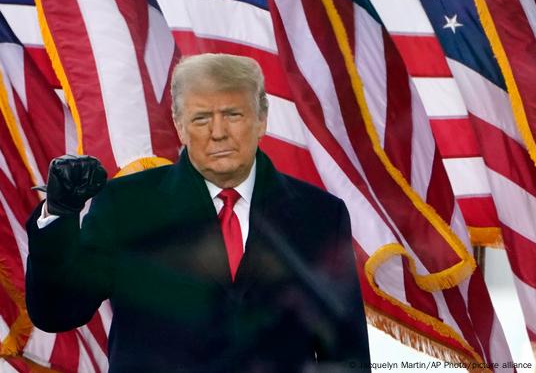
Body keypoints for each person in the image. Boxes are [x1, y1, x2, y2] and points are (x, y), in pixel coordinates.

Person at [25, 53, 370, 372]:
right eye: (202, 118)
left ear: (262, 119)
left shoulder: (319, 214)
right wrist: (60, 212)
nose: (218, 133)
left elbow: (343, 351)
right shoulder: (126, 205)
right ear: (179, 124)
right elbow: (57, 311)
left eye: (233, 115)